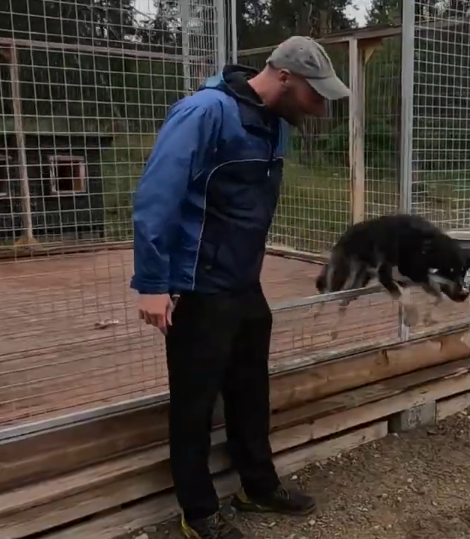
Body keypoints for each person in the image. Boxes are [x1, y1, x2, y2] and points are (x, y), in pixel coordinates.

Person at [129, 36, 351, 539]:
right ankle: (199, 512)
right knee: (194, 402)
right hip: (197, 286)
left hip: (242, 284)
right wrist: (152, 282)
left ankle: (257, 486)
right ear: (285, 78)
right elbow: (156, 197)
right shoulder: (204, 112)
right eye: (315, 95)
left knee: (250, 390)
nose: (319, 108)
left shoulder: (277, 124)